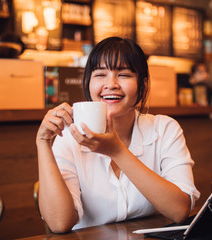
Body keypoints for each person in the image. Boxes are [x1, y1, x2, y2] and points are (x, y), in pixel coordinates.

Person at [36, 37, 200, 233]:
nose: (111, 84)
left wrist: (117, 151)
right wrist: (43, 142)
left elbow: (179, 210)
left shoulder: (164, 129)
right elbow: (59, 223)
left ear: (143, 84)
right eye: (100, 74)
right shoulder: (68, 137)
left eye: (123, 74)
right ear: (88, 82)